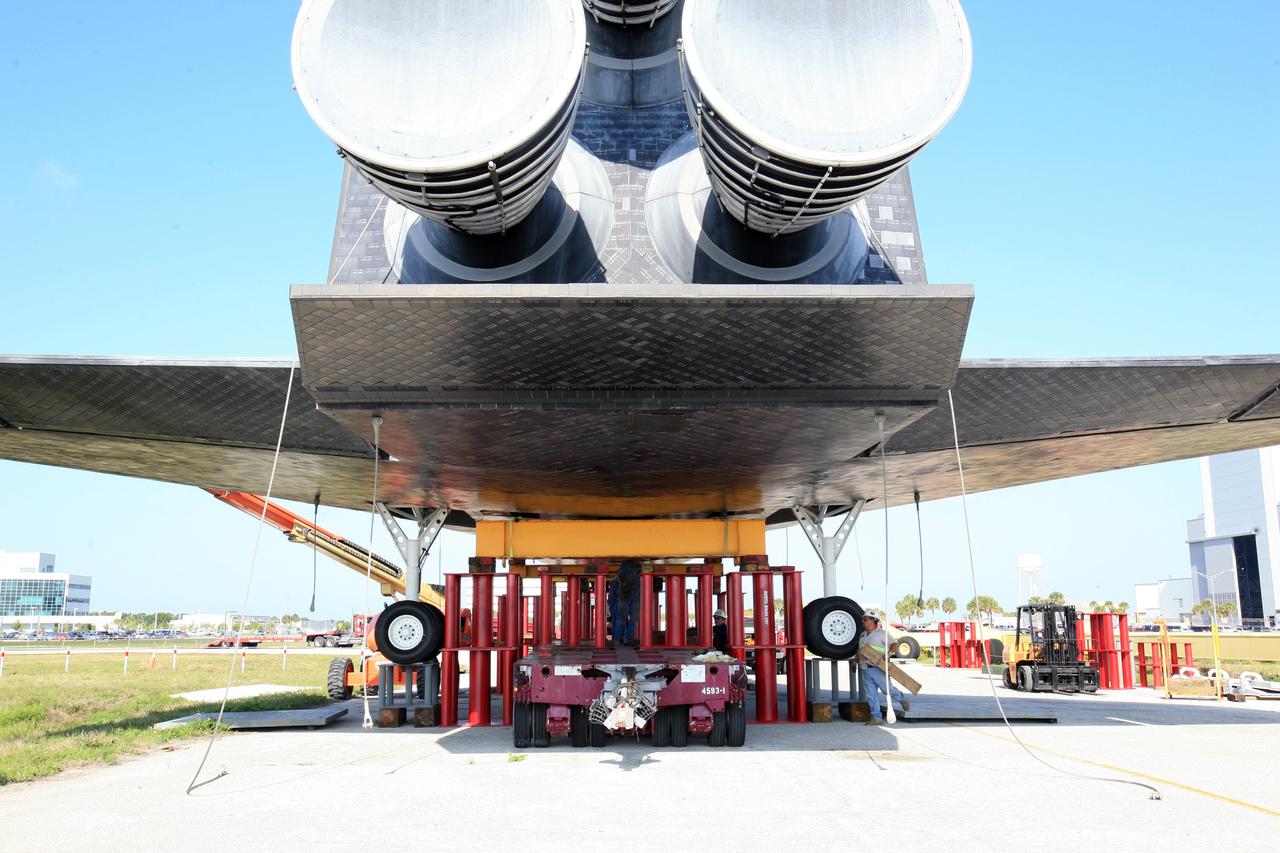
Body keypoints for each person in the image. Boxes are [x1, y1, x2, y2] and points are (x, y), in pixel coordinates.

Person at [857, 609, 909, 725]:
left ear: (873, 620)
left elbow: (894, 644)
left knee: (887, 689)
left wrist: (889, 654)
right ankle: (876, 717)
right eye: (863, 619)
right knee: (871, 695)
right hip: (865, 668)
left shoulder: (882, 634)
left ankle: (901, 698)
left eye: (865, 619)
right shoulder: (863, 635)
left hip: (878, 668)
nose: (863, 621)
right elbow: (859, 650)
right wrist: (855, 661)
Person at [615, 559, 642, 645]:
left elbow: (618, 576)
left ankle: (620, 639)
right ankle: (626, 639)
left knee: (622, 619)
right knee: (632, 620)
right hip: (631, 597)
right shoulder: (633, 566)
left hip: (628, 596)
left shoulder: (627, 565)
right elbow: (619, 577)